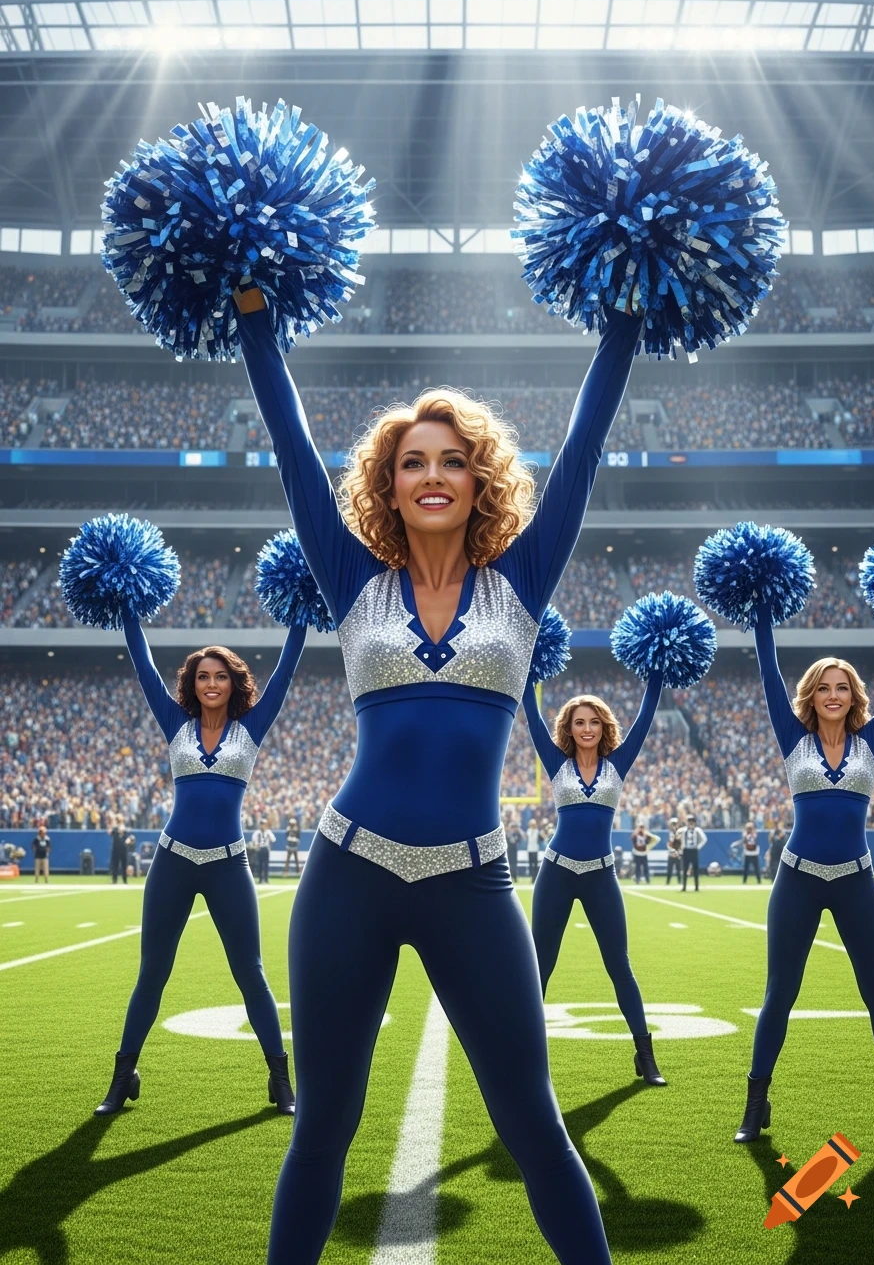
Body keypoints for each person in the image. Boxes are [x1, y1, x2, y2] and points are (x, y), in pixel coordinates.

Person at [235, 281, 641, 1265]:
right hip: (348, 875)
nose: (430, 475)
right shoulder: (352, 581)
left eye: (450, 460)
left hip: (472, 878)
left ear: (478, 478)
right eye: (410, 461)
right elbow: (292, 451)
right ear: (386, 481)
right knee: (322, 1127)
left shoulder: (520, 582)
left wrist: (623, 316)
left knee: (533, 1123)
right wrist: (254, 317)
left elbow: (582, 451)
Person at [93, 618, 306, 1119]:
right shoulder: (175, 725)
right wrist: (127, 608)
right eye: (203, 676)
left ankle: (280, 1080)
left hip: (228, 865)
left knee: (250, 973)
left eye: (221, 676)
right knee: (153, 974)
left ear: (234, 683)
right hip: (172, 862)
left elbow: (286, 671)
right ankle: (122, 1079)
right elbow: (143, 665)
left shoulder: (251, 727)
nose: (211, 683)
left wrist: (300, 616)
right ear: (191, 684)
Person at [734, 606, 874, 1142]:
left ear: (854, 696)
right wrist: (761, 613)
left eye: (842, 687)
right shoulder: (793, 738)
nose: (833, 695)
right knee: (780, 992)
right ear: (813, 694)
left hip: (856, 880)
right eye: (824, 687)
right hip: (797, 879)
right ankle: (756, 1103)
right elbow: (767, 670)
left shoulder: (871, 742)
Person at [522, 677, 666, 1086]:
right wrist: (530, 677)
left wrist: (655, 675)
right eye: (578, 722)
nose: (586, 729)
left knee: (619, 965)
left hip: (601, 873)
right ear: (568, 728)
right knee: (540, 967)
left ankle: (645, 1055)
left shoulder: (617, 765)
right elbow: (532, 719)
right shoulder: (556, 763)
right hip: (557, 871)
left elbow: (644, 720)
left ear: (604, 728)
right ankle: (525, 1059)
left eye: (594, 722)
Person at [680, 814, 707, 891]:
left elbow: (704, 839)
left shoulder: (697, 830)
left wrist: (698, 846)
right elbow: (681, 839)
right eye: (689, 822)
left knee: (695, 869)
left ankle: (696, 886)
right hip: (686, 850)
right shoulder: (684, 830)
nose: (690, 823)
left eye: (692, 822)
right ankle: (684, 886)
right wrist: (682, 847)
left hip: (694, 850)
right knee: (685, 869)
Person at [525, 817, 541, 882]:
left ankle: (535, 877)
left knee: (535, 864)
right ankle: (532, 877)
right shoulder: (528, 831)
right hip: (530, 849)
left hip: (535, 849)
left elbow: (535, 839)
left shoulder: (537, 831)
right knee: (530, 864)